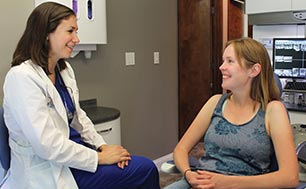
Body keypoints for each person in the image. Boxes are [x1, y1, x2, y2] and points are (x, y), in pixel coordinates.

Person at [1, 2, 160, 189]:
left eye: (76, 31)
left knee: (135, 167)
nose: (76, 39)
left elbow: (78, 117)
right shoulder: (21, 77)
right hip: (48, 168)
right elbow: (46, 145)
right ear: (45, 34)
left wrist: (102, 146)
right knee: (145, 168)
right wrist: (99, 158)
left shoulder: (64, 70)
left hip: (75, 154)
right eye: (70, 31)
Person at [164, 37, 299, 189]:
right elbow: (180, 149)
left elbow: (290, 177)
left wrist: (226, 182)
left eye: (230, 61)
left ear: (253, 70)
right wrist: (189, 174)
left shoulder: (273, 110)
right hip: (203, 182)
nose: (221, 67)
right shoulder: (215, 102)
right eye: (223, 61)